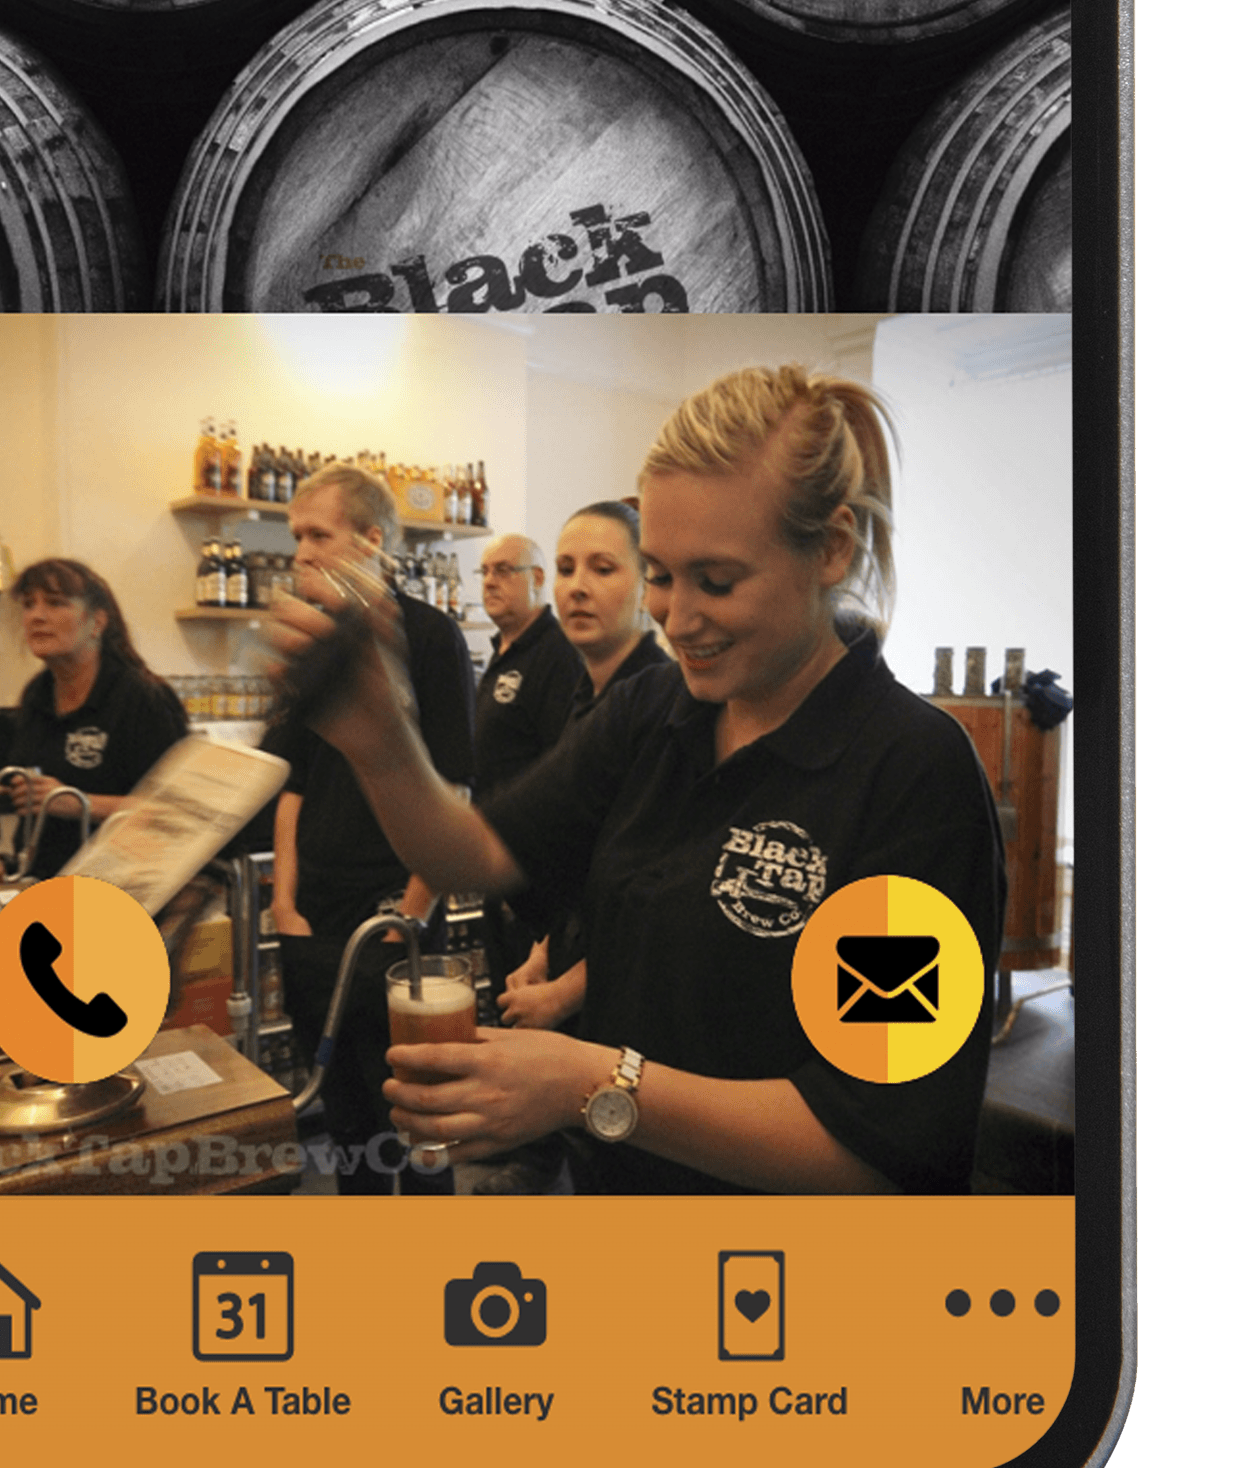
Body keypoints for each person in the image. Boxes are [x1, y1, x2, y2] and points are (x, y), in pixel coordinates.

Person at [266, 367, 1005, 1196]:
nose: (674, 616)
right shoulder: (655, 708)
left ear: (831, 548)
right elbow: (474, 853)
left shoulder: (910, 768)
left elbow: (874, 1153)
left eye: (715, 581)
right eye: (658, 572)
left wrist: (592, 1085)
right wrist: (380, 744)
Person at [264, 463, 474, 1193]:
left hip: (394, 923)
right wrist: (283, 905)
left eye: (317, 534)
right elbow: (290, 785)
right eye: (296, 536)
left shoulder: (430, 637)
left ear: (372, 540)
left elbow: (454, 784)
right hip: (313, 920)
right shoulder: (311, 646)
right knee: (346, 1120)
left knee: (417, 1127)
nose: (301, 552)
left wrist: (411, 914)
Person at [498, 500, 673, 1039]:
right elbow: (582, 864)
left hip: (632, 1008)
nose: (577, 586)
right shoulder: (583, 697)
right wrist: (542, 952)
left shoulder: (662, 706)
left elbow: (662, 905)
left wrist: (563, 995)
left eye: (602, 568)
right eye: (566, 568)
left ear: (647, 587)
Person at [2, 559, 189, 877]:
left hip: (120, 891)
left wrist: (78, 804)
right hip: (42, 884)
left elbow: (176, 813)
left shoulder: (142, 698)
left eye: (55, 603)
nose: (36, 615)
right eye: (29, 604)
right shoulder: (37, 693)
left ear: (97, 622)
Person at [472, 532, 585, 1007]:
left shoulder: (557, 656)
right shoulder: (500, 653)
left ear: (537, 580)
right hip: (498, 879)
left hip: (538, 897)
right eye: (485, 572)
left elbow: (561, 776)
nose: (491, 581)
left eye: (504, 570)